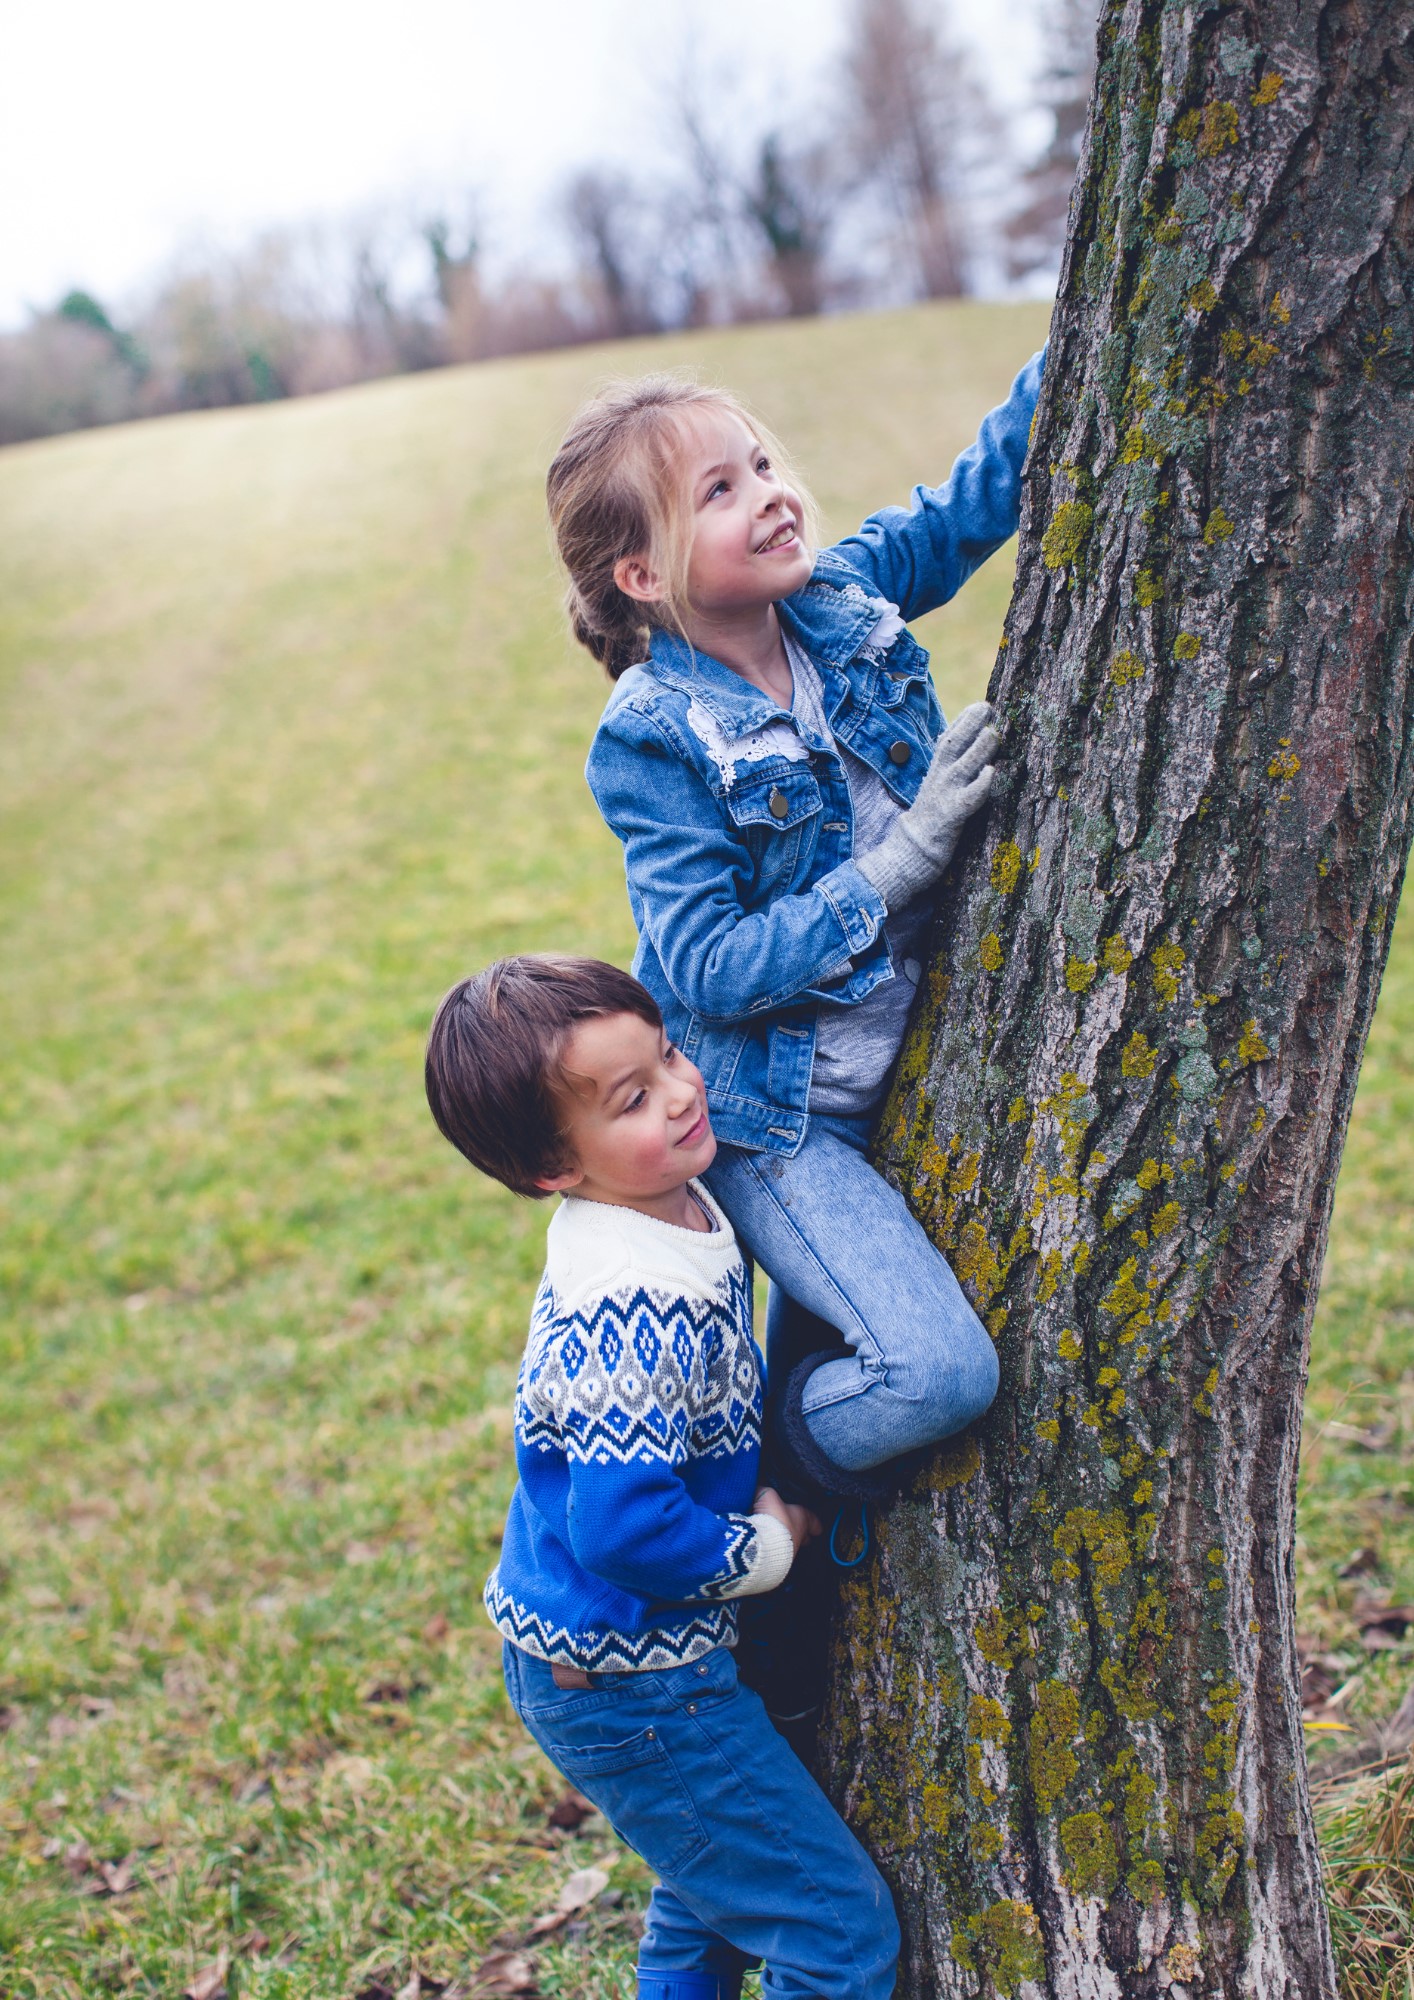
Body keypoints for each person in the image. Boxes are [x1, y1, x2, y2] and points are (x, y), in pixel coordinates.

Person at [547, 352, 1044, 1505]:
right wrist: (902, 863)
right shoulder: (654, 737)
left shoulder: (836, 603)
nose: (771, 493)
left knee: (845, 1325)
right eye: (718, 491)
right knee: (933, 1371)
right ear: (641, 571)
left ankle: (789, 1612)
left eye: (761, 464)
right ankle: (768, 1471)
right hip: (785, 1118)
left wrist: (1071, 346)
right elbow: (714, 968)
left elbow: (967, 506)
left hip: (908, 1061)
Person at [424, 954, 901, 2000]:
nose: (682, 1090)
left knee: (707, 1902)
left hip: (613, 1659)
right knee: (836, 1931)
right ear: (555, 1166)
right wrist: (765, 1548)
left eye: (669, 1054)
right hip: (630, 1672)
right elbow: (622, 1528)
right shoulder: (631, 1302)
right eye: (633, 1097)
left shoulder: (659, 1199)